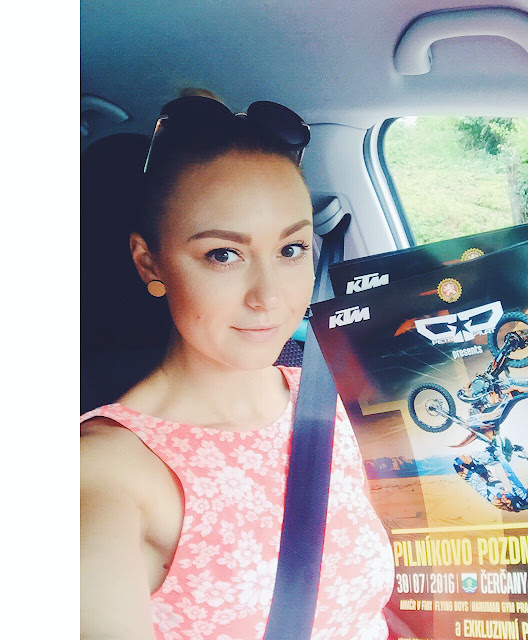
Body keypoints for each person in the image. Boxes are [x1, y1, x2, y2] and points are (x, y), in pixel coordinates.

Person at [80, 89, 395, 640]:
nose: (268, 296)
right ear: (149, 262)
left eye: (291, 249)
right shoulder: (103, 471)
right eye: (223, 254)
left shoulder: (328, 397)